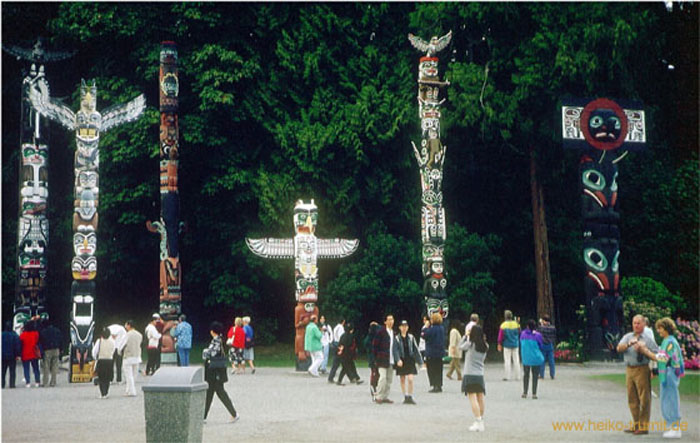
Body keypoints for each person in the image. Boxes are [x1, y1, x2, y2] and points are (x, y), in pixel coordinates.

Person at [616, 314, 659, 435]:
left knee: (644, 398)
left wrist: (644, 350)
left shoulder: (647, 339)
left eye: (639, 323)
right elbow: (618, 348)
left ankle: (644, 426)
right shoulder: (627, 336)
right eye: (634, 323)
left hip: (642, 369)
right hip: (630, 369)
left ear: (644, 324)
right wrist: (629, 344)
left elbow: (657, 353)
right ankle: (636, 424)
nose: (636, 325)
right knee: (632, 398)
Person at [648, 317, 685, 439]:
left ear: (666, 328)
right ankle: (670, 424)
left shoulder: (670, 342)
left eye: (660, 328)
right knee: (665, 399)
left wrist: (647, 352)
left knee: (671, 399)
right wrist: (656, 371)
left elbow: (664, 359)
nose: (658, 331)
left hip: (670, 374)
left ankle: (675, 427)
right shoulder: (666, 341)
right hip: (665, 374)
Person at [203, 321, 239, 423]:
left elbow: (210, 354)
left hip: (214, 372)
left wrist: (205, 352)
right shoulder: (221, 340)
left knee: (214, 393)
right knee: (216, 393)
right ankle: (204, 416)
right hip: (218, 372)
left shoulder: (216, 341)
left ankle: (234, 414)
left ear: (212, 331)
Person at [460, 324, 489, 432]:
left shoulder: (470, 344)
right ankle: (481, 420)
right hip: (480, 374)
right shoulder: (485, 346)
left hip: (469, 374)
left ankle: (478, 421)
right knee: (480, 398)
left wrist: (465, 336)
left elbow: (460, 346)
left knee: (472, 398)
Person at [394, 320, 423, 404]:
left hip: (410, 360)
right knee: (402, 379)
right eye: (402, 326)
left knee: (410, 379)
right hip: (402, 360)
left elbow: (416, 349)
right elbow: (395, 350)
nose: (404, 328)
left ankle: (410, 396)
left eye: (405, 326)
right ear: (399, 327)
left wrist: (420, 361)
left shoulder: (411, 337)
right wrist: (398, 359)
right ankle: (405, 396)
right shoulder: (397, 338)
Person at [372, 314, 396, 404]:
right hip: (382, 359)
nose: (391, 321)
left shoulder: (393, 332)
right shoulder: (381, 332)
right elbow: (375, 345)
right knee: (383, 378)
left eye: (392, 319)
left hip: (391, 359)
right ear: (385, 322)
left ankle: (385, 396)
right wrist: (375, 358)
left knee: (389, 379)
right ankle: (378, 396)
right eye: (389, 320)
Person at [521, 319, 544, 399]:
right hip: (535, 358)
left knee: (526, 375)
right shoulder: (538, 335)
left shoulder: (523, 334)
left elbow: (521, 343)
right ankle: (534, 393)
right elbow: (541, 346)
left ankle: (525, 392)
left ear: (527, 326)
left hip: (526, 357)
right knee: (535, 375)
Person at [423, 312, 446, 393]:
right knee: (439, 369)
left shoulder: (432, 329)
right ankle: (439, 385)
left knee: (432, 369)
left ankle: (434, 385)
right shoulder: (442, 328)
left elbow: (424, 335)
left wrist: (425, 327)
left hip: (432, 352)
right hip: (440, 352)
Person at [497, 310, 520, 381]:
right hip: (515, 344)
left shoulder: (503, 325)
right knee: (516, 360)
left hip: (507, 344)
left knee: (507, 360)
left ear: (505, 316)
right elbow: (519, 332)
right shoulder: (516, 324)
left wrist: (499, 343)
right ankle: (518, 376)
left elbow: (500, 336)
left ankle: (507, 376)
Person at [93, 327, 115, 399]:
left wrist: (95, 357)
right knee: (107, 377)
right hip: (109, 360)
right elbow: (113, 350)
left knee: (101, 377)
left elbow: (94, 351)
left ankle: (102, 393)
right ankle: (106, 392)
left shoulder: (99, 341)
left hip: (101, 360)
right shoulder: (112, 341)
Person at [122, 320, 143, 397]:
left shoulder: (127, 335)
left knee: (128, 375)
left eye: (126, 324)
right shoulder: (139, 335)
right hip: (137, 356)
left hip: (128, 356)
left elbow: (122, 344)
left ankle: (132, 391)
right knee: (134, 375)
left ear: (129, 325)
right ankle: (128, 390)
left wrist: (119, 351)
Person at [39, 319, 61, 387]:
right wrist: (61, 349)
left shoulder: (43, 332)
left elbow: (41, 342)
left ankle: (45, 382)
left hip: (47, 350)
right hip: (56, 349)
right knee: (55, 366)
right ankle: (53, 382)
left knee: (46, 366)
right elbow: (61, 340)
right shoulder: (57, 330)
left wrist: (41, 351)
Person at [19, 320, 41, 388]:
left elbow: (20, 344)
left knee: (26, 368)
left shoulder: (23, 335)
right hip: (34, 353)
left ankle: (28, 382)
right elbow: (37, 341)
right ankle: (37, 381)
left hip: (25, 353)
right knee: (36, 368)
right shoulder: (35, 333)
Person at [364, 321, 381, 401]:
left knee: (374, 373)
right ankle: (374, 386)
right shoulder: (376, 336)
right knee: (376, 373)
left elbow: (365, 344)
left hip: (372, 357)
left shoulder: (369, 337)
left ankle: (374, 386)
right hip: (375, 357)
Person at [2, 321, 22, 389]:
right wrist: (18, 355)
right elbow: (17, 346)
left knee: (2, 371)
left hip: (3, 356)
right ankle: (12, 384)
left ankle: (2, 384)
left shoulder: (2, 335)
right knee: (12, 371)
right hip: (12, 356)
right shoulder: (14, 335)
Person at [537, 315, 556, 380]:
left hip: (543, 345)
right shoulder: (553, 327)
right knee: (551, 361)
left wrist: (541, 324)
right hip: (550, 344)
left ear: (544, 321)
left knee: (542, 360)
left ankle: (541, 374)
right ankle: (552, 374)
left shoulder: (541, 328)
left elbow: (538, 332)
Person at [327, 319, 345, 383]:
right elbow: (341, 337)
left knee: (335, 363)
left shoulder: (336, 327)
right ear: (343, 321)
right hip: (339, 344)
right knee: (339, 362)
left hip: (335, 343)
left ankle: (331, 377)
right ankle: (331, 377)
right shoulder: (341, 327)